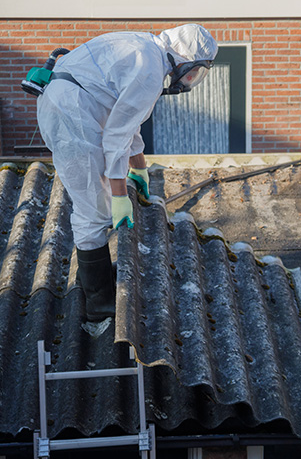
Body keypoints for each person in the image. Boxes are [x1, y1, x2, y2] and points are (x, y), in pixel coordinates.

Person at [36, 24, 218, 321]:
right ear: (183, 58)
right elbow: (116, 137)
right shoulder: (149, 72)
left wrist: (139, 169)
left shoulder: (148, 50)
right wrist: (120, 196)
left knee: (99, 202)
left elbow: (127, 121)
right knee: (94, 211)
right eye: (193, 71)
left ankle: (97, 277)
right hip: (70, 115)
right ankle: (99, 304)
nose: (188, 80)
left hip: (73, 105)